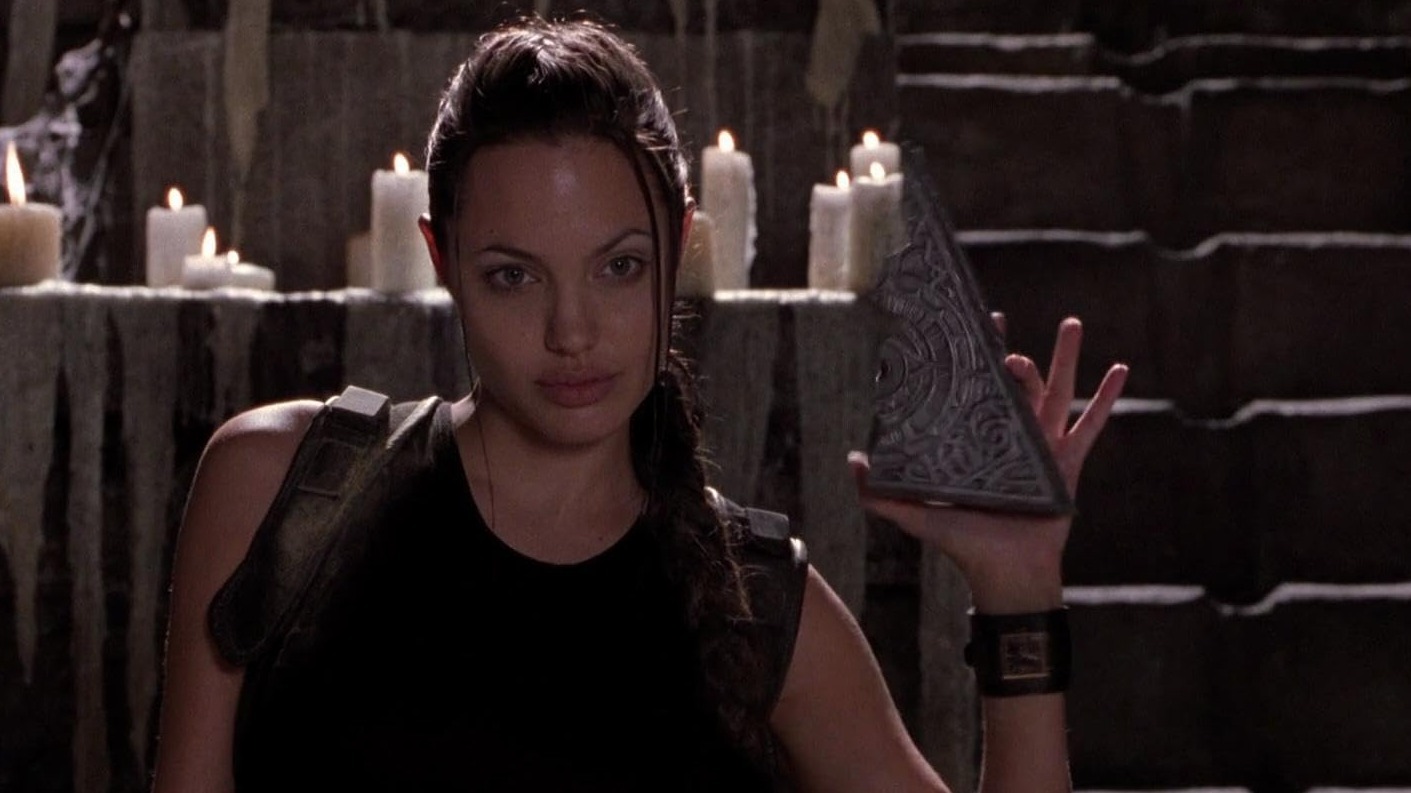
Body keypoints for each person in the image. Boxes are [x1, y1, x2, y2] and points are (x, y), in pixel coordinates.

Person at [152, 16, 1128, 793]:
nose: (572, 330)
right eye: (512, 276)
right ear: (442, 260)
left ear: (678, 245)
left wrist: (1017, 590)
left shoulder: (757, 603)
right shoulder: (283, 489)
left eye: (617, 267)